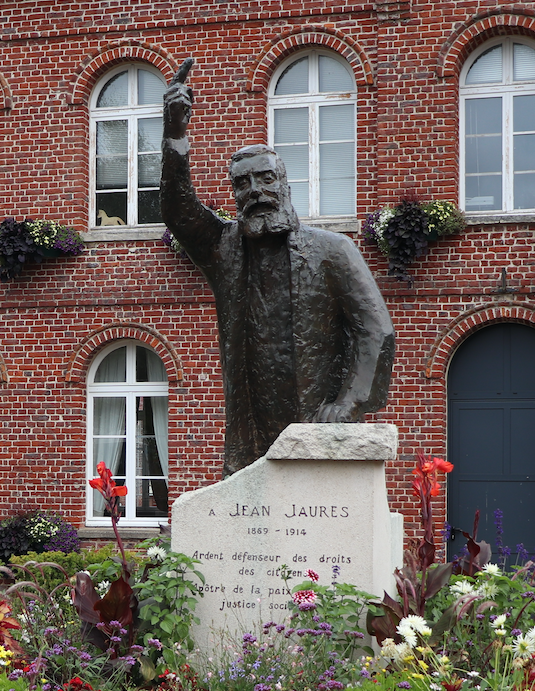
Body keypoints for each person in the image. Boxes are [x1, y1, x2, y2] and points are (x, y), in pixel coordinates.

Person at [160, 58, 396, 475]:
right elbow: (180, 213)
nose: (255, 191)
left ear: (285, 184)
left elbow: (375, 330)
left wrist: (348, 403)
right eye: (242, 184)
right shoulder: (224, 248)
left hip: (316, 422)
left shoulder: (332, 250)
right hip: (251, 433)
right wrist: (176, 133)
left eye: (266, 179)